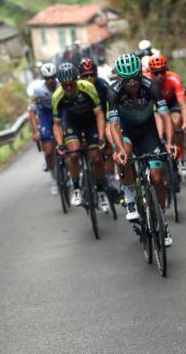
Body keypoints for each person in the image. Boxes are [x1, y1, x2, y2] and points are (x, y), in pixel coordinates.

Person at [107, 54, 177, 246]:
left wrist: (170, 142)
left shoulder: (151, 86)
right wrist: (119, 148)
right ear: (119, 78)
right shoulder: (113, 92)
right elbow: (113, 125)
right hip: (127, 132)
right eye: (127, 79)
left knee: (157, 177)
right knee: (124, 156)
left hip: (148, 133)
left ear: (140, 74)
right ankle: (129, 196)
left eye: (135, 77)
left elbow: (165, 116)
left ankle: (162, 222)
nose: (132, 83)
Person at [52, 62, 110, 212]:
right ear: (61, 84)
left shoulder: (88, 87)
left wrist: (102, 137)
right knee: (74, 153)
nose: (69, 88)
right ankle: (77, 187)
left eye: (72, 84)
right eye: (65, 85)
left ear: (76, 80)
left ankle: (101, 191)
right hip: (72, 122)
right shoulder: (57, 96)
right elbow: (57, 124)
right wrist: (59, 144)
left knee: (96, 157)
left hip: (90, 121)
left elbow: (99, 114)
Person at [79, 58, 118, 196]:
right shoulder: (78, 88)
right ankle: (94, 179)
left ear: (96, 74)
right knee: (94, 155)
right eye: (86, 76)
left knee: (108, 149)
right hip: (86, 122)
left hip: (102, 119)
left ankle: (112, 179)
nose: (90, 78)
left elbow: (112, 104)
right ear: (80, 77)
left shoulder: (103, 85)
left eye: (92, 74)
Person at [147, 55, 186, 177]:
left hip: (172, 102)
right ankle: (161, 148)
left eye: (162, 72)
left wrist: (185, 123)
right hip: (156, 104)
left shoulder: (174, 79)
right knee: (158, 126)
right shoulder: (147, 82)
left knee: (176, 122)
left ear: (166, 70)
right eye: (156, 73)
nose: (160, 76)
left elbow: (182, 103)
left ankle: (180, 157)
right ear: (151, 73)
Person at [27, 63, 60, 194]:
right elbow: (31, 112)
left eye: (52, 77)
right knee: (48, 150)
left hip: (60, 113)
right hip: (46, 116)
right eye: (47, 78)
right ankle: (54, 179)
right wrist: (36, 131)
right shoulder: (37, 91)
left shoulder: (61, 85)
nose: (50, 80)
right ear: (44, 79)